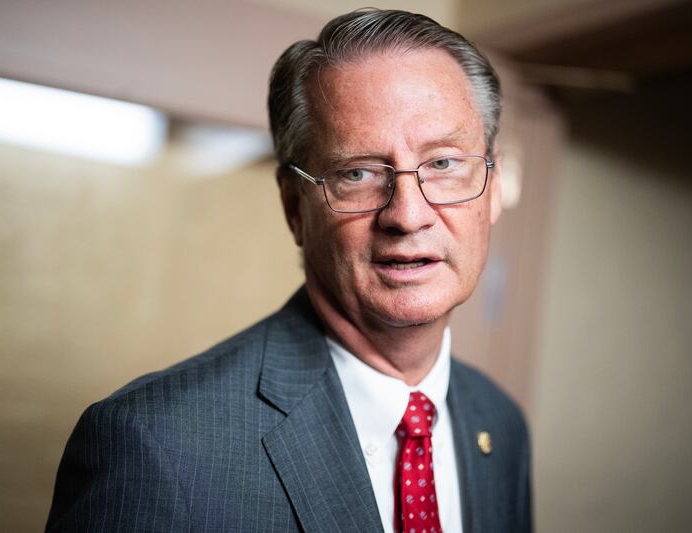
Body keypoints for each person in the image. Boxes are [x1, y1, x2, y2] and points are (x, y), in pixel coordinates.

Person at [46, 8, 531, 533]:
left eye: (443, 163)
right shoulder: (156, 444)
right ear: (294, 206)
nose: (408, 215)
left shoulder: (500, 424)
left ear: (494, 183)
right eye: (358, 172)